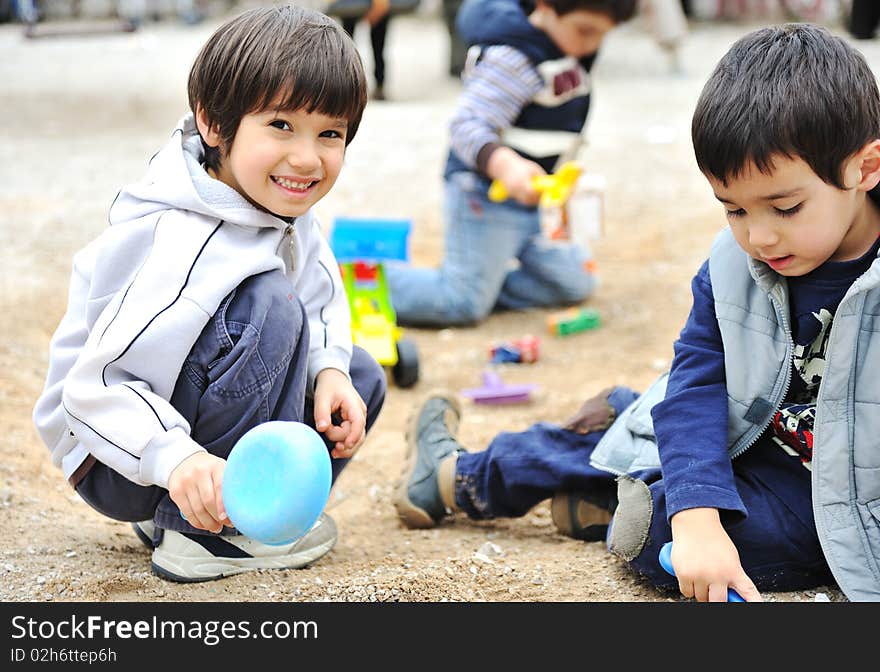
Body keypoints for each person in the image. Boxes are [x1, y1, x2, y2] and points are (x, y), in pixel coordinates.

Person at [394, 23, 880, 602]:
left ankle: (618, 486)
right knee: (662, 477)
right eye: (734, 211)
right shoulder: (734, 266)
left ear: (865, 168)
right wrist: (697, 515)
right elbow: (696, 383)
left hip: (828, 490)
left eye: (785, 207)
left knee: (735, 539)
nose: (760, 237)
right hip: (735, 442)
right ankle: (459, 476)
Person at [32, 4, 386, 583]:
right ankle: (203, 533)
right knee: (267, 304)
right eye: (280, 126)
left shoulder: (278, 204)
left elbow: (320, 289)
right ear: (214, 124)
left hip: (168, 435)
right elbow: (95, 388)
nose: (306, 157)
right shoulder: (183, 240)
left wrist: (329, 369)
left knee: (358, 378)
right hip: (110, 451)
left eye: (330, 134)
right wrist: (176, 459)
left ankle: (224, 513)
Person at [384, 0, 638, 327]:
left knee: (576, 281)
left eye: (603, 35)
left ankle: (481, 285)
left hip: (534, 204)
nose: (592, 44)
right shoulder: (514, 58)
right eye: (585, 31)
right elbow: (466, 126)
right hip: (486, 197)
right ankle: (352, 283)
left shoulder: (566, 46)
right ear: (545, 7)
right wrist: (505, 166)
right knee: (460, 303)